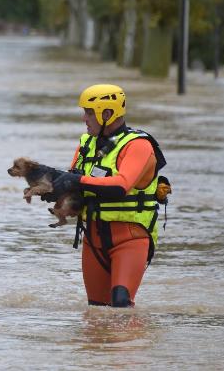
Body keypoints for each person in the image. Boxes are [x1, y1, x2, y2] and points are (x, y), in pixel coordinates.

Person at [46, 84, 169, 307]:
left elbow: (121, 186)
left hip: (131, 238)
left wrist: (76, 180)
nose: (84, 118)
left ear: (108, 113)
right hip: (93, 238)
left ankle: (135, 341)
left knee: (120, 304)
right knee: (97, 312)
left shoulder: (139, 145)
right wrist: (55, 189)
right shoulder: (87, 143)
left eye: (90, 112)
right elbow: (76, 181)